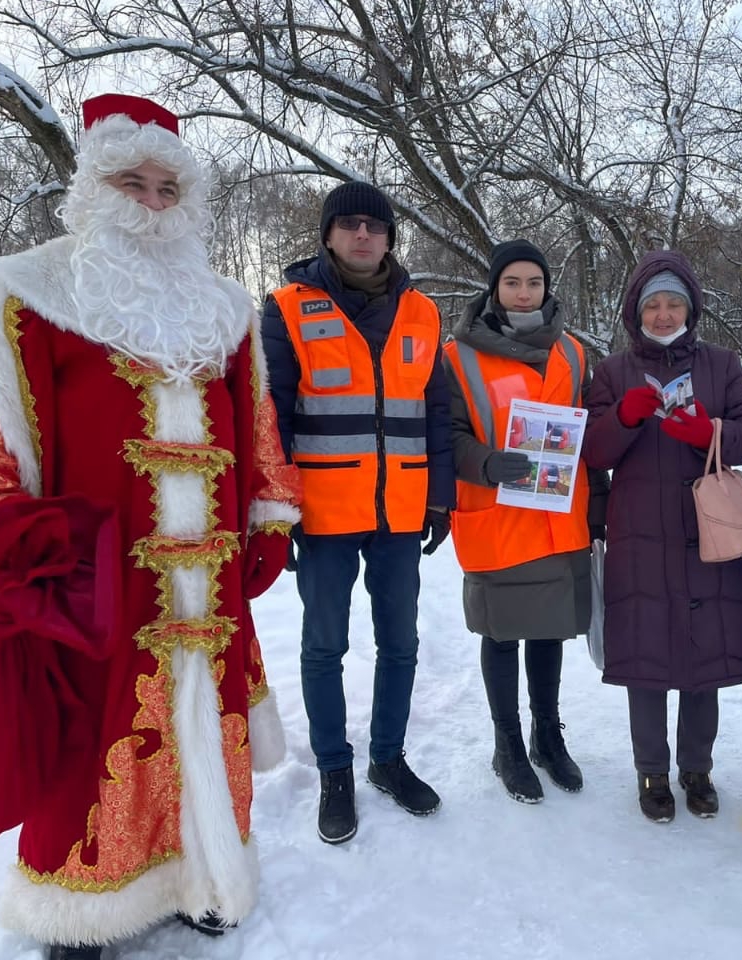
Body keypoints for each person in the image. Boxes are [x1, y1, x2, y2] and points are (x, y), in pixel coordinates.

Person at [0, 94, 301, 960]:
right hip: (91, 573)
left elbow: (257, 426)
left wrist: (270, 517)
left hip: (206, 576)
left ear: (188, 200)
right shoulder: (27, 289)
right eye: (130, 181)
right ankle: (81, 906)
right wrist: (7, 538)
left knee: (202, 721)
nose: (149, 202)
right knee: (91, 734)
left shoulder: (225, 308)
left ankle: (203, 877)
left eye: (166, 187)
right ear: (93, 187)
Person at [262, 180, 454, 845]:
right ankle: (335, 770)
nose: (363, 235)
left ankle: (388, 759)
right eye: (349, 225)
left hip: (401, 509)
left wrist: (440, 495)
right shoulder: (286, 309)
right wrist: (275, 508)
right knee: (325, 645)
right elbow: (272, 416)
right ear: (328, 235)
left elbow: (437, 412)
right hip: (323, 513)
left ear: (391, 237)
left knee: (401, 642)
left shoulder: (422, 313)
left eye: (375, 225)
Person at [582, 250, 742, 823]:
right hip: (638, 536)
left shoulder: (721, 364)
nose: (663, 315)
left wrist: (711, 430)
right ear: (635, 312)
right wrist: (623, 419)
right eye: (652, 305)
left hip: (706, 534)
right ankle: (652, 772)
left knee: (703, 660)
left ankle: (697, 769)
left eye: (673, 303)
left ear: (691, 306)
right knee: (646, 662)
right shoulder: (611, 372)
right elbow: (591, 450)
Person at [443, 239, 606, 804]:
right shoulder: (458, 355)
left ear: (546, 287)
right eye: (512, 282)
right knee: (501, 631)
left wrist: (600, 498)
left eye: (533, 282)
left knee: (548, 628)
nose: (523, 292)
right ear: (494, 288)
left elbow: (590, 435)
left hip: (558, 518)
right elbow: (448, 433)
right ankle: (507, 744)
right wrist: (484, 463)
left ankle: (547, 736)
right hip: (498, 515)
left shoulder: (574, 354)